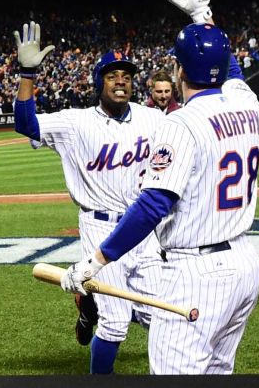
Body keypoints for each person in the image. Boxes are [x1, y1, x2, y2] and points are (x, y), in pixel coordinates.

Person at [60, 0, 259, 374]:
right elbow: (231, 67)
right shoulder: (248, 102)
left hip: (196, 272)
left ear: (178, 69)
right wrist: (203, 12)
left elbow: (153, 204)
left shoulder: (181, 123)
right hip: (245, 265)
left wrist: (95, 262)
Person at [12, 21, 165, 374]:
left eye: (126, 75)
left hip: (142, 231)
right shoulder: (75, 123)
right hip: (100, 229)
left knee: (161, 316)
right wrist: (27, 74)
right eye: (112, 75)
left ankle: (88, 304)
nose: (121, 80)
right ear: (100, 82)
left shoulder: (152, 119)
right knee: (115, 325)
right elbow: (25, 124)